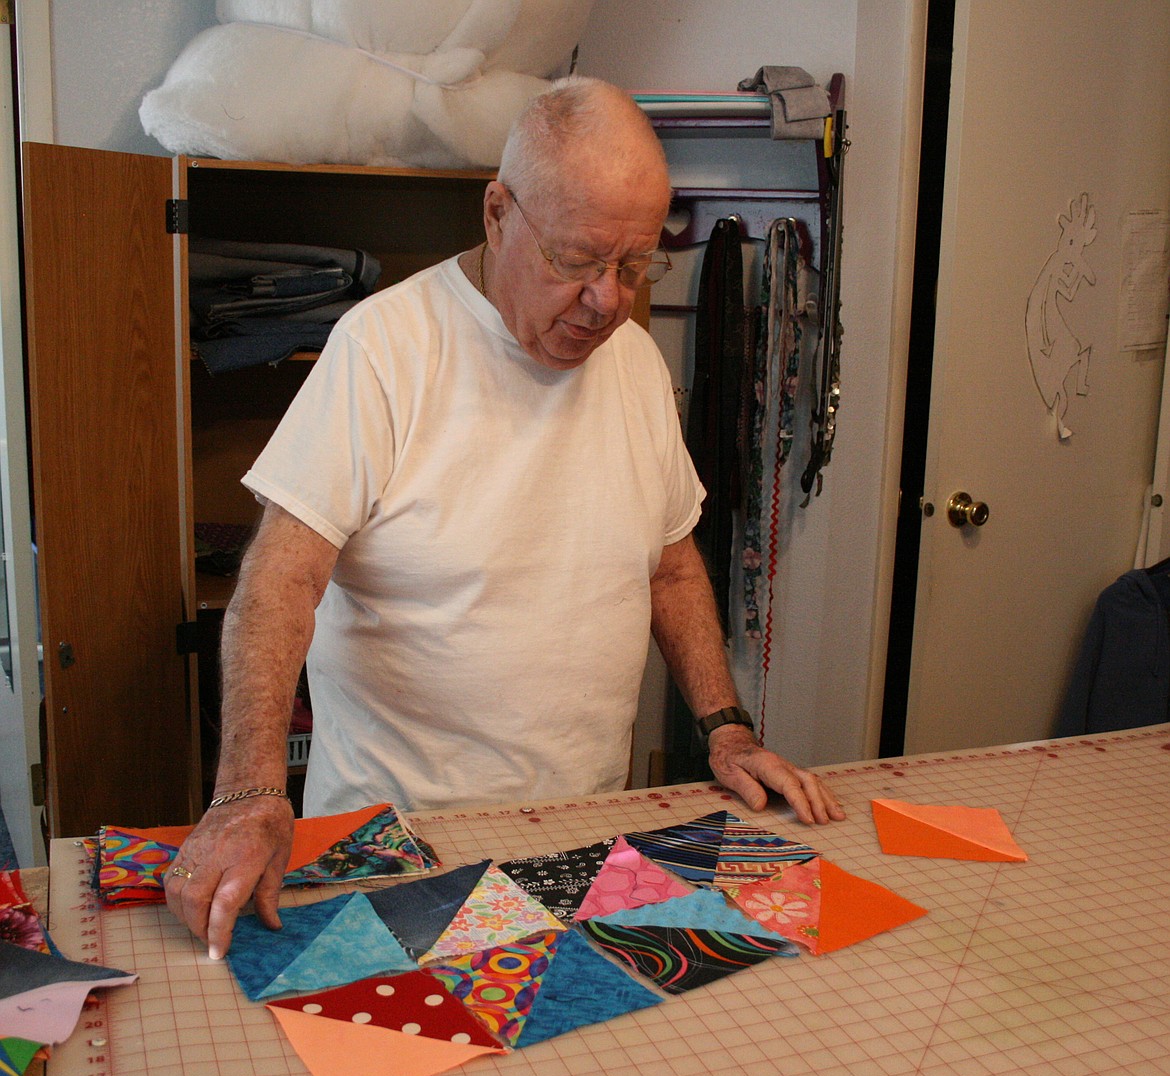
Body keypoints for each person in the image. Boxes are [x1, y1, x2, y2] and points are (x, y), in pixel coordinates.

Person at [166, 76, 844, 961]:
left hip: (583, 838)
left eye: (635, 266)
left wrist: (726, 726)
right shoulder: (383, 351)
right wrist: (246, 790)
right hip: (394, 849)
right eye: (576, 259)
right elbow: (279, 578)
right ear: (497, 212)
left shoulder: (634, 365)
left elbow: (670, 565)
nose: (607, 299)